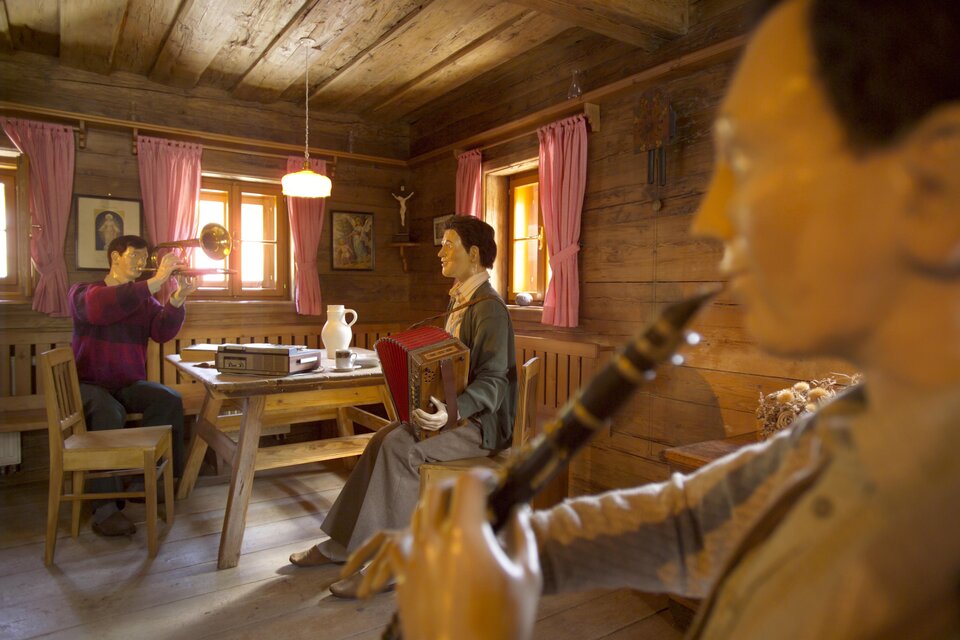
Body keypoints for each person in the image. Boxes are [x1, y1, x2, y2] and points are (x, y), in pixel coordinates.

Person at [345, 0, 960, 638]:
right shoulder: (874, 419)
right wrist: (510, 548)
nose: (713, 218)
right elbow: (692, 520)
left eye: (756, 159)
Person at [288, 216, 518, 599]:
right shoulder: (460, 298)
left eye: (448, 244)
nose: (440, 252)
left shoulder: (489, 308)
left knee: (402, 449)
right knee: (381, 438)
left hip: (482, 426)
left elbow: (493, 382)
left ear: (473, 254)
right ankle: (342, 545)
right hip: (457, 418)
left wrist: (452, 410)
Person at [69, 236, 199, 537]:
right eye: (135, 257)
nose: (142, 264)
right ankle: (105, 508)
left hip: (127, 383)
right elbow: (102, 308)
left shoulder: (143, 298)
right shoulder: (83, 292)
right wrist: (158, 280)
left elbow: (161, 331)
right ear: (115, 257)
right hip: (88, 384)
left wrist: (177, 298)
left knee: (168, 399)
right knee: (107, 412)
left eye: (145, 258)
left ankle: (150, 482)